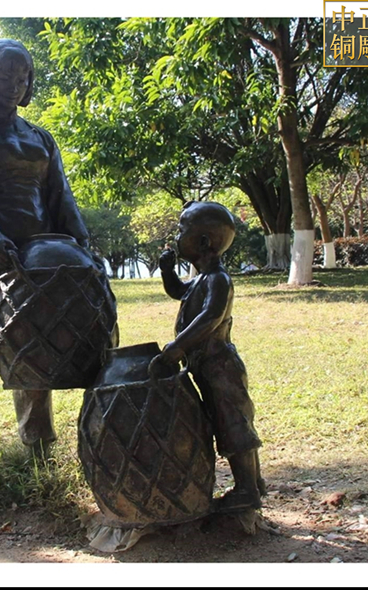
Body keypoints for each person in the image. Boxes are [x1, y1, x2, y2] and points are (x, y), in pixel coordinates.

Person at [0, 39, 90, 501]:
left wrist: (83, 244)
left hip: (36, 257)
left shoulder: (41, 138)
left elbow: (60, 195)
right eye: (5, 75)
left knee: (34, 348)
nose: (13, 85)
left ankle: (39, 446)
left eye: (22, 77)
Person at [155, 201, 265, 513]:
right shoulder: (201, 279)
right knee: (227, 421)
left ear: (203, 242)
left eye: (181, 231)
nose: (176, 237)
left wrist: (178, 346)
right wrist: (167, 271)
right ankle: (254, 483)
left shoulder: (219, 280)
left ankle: (247, 490)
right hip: (206, 367)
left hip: (220, 368)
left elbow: (210, 318)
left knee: (234, 425)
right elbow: (179, 291)